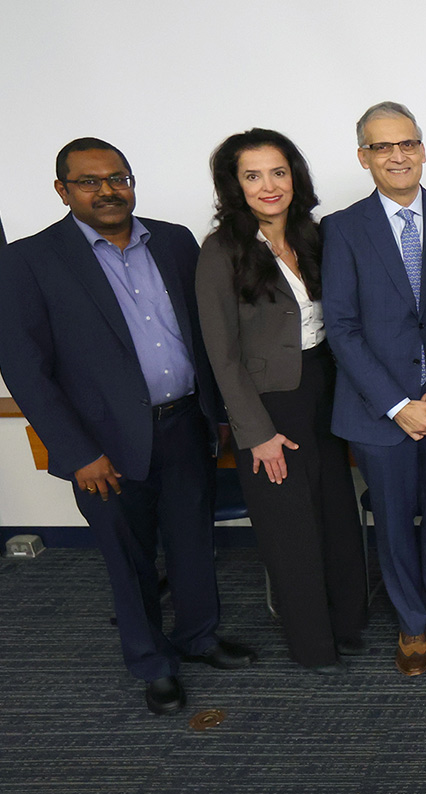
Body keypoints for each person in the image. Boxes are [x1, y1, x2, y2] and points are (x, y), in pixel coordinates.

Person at [0, 137, 255, 714]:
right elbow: (25, 368)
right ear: (62, 190)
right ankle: (152, 662)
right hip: (102, 446)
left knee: (193, 542)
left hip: (187, 423)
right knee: (129, 556)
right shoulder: (28, 260)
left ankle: (198, 637)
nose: (107, 190)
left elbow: (205, 330)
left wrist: (214, 412)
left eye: (118, 178)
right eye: (89, 181)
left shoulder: (173, 240)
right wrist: (74, 450)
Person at [195, 129, 367, 675]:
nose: (268, 185)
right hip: (270, 406)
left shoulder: (313, 236)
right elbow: (221, 356)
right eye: (252, 175)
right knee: (291, 530)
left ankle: (347, 625)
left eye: (278, 172)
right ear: (234, 185)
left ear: (295, 176)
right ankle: (313, 646)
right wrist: (256, 433)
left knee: (337, 516)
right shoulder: (221, 251)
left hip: (326, 392)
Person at [321, 102, 426, 676]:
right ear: (364, 157)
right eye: (382, 147)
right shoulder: (341, 228)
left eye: (406, 143)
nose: (397, 155)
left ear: (423, 149)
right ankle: (411, 624)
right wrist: (397, 405)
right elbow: (341, 326)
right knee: (391, 522)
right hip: (377, 412)